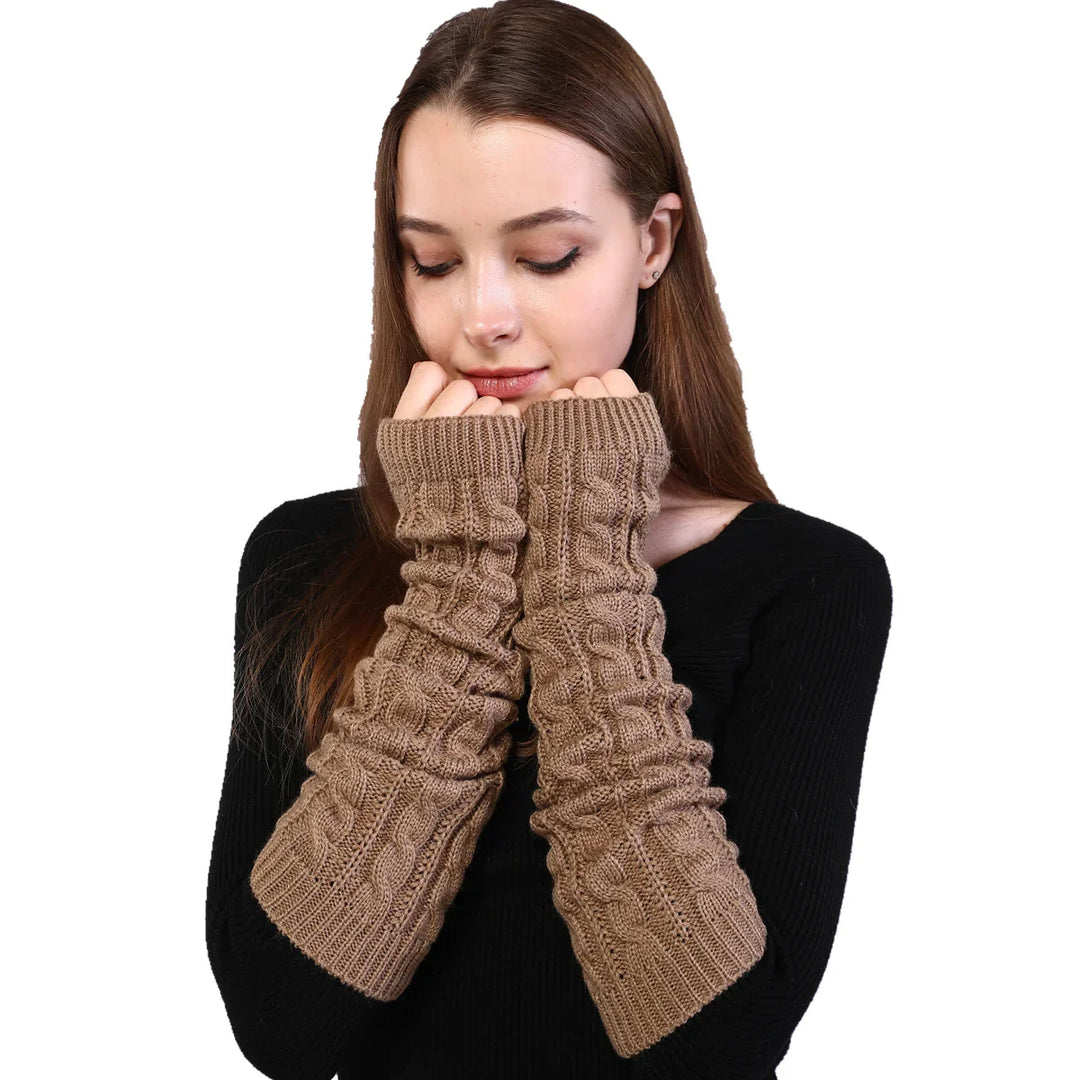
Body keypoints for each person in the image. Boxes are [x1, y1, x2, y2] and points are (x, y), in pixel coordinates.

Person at [205, 2, 893, 1077]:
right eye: (431, 263)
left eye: (548, 255)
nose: (483, 314)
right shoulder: (299, 559)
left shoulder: (808, 585)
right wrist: (460, 580)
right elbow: (283, 1029)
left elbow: (717, 1049)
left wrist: (580, 575)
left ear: (652, 242)